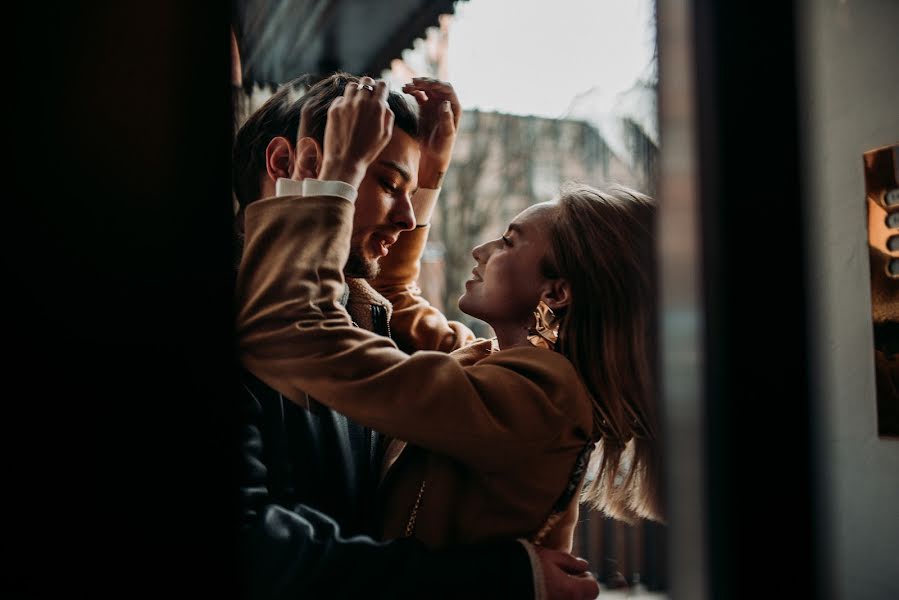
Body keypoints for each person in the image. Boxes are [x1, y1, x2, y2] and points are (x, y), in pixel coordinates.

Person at [236, 76, 663, 561]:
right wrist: (428, 175)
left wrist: (338, 175)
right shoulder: (490, 362)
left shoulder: (539, 399)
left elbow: (300, 335)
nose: (481, 250)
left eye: (508, 241)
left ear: (557, 291)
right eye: (389, 184)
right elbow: (395, 296)